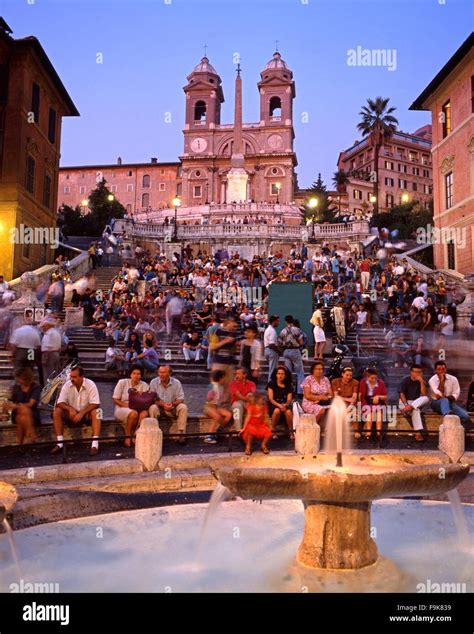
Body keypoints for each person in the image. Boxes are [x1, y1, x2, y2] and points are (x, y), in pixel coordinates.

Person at [51, 366, 101, 456]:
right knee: (56, 411)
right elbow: (60, 402)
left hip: (85, 415)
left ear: (82, 377)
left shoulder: (91, 384)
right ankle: (60, 443)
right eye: (71, 377)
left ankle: (95, 444)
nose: (72, 379)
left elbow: (96, 403)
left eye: (74, 377)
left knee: (98, 412)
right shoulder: (67, 385)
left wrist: (82, 413)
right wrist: (70, 409)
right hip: (71, 415)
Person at [112, 365, 151, 447]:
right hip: (122, 407)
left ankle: (136, 433)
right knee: (133, 413)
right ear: (130, 374)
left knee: (145, 413)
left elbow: (147, 401)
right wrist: (127, 406)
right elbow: (115, 399)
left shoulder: (144, 385)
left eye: (138, 374)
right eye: (134, 373)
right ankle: (128, 436)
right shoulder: (122, 382)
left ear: (141, 375)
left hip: (138, 407)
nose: (136, 376)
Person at [149, 365, 188, 444]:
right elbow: (152, 399)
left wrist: (172, 404)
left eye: (164, 372)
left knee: (183, 407)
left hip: (173, 407)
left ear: (169, 373)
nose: (161, 374)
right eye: (160, 372)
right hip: (159, 408)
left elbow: (181, 398)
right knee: (152, 408)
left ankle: (181, 434)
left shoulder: (176, 382)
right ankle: (154, 433)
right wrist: (163, 404)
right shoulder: (154, 382)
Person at [429, 362, 473, 430]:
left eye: (443, 369)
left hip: (450, 403)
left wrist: (446, 397)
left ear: (446, 369)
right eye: (439, 369)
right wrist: (442, 381)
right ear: (435, 370)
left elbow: (455, 395)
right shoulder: (432, 380)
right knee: (444, 400)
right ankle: (448, 417)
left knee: (465, 416)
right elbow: (439, 396)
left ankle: (459, 433)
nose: (441, 371)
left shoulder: (453, 379)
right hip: (436, 403)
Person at [4, 367, 41, 444]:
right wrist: (5, 410)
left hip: (32, 415)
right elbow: (9, 401)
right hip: (17, 413)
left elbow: (31, 404)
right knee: (23, 410)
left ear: (26, 378)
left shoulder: (36, 387)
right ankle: (31, 434)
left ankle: (20, 444)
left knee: (21, 416)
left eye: (19, 378)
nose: (18, 380)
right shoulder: (16, 387)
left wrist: (16, 406)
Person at [399, 364, 429, 442]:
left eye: (420, 372)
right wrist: (406, 405)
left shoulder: (421, 381)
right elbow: (401, 394)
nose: (418, 374)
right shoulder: (405, 380)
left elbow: (424, 394)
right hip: (405, 403)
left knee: (426, 398)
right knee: (416, 410)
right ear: (411, 372)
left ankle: (411, 407)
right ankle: (418, 434)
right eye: (416, 372)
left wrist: (421, 382)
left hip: (415, 403)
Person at [203, 369, 233, 444]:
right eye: (223, 378)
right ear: (219, 378)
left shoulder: (221, 387)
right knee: (217, 416)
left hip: (216, 407)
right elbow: (208, 397)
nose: (224, 380)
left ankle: (218, 431)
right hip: (208, 407)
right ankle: (209, 435)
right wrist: (210, 396)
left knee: (228, 415)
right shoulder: (212, 385)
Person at [278, 315, 305, 396]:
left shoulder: (283, 331)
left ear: (286, 321)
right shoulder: (297, 330)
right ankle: (300, 392)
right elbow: (301, 342)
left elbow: (279, 342)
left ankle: (289, 390)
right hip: (295, 351)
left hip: (286, 351)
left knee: (288, 372)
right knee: (300, 372)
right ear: (292, 321)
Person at [359, 368, 388, 442]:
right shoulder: (363, 382)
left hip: (378, 403)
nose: (374, 380)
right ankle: (368, 432)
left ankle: (378, 433)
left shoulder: (381, 383)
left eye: (375, 378)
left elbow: (385, 396)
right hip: (366, 403)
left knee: (379, 414)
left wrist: (378, 397)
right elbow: (361, 395)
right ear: (367, 377)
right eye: (372, 378)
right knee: (370, 414)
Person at [266, 365, 294, 439]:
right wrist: (279, 405)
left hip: (285, 404)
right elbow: (271, 399)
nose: (280, 376)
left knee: (288, 412)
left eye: (282, 374)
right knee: (277, 410)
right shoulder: (271, 383)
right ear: (276, 375)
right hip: (274, 404)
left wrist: (285, 405)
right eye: (278, 373)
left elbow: (289, 399)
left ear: (285, 375)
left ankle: (291, 432)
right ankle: (272, 431)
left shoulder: (289, 385)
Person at [331, 366, 359, 438]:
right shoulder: (335, 382)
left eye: (350, 375)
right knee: (336, 412)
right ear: (342, 374)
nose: (348, 377)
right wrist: (347, 399)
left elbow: (354, 398)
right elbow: (336, 396)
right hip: (339, 403)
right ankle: (336, 431)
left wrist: (350, 404)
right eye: (347, 375)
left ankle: (356, 431)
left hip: (351, 404)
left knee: (354, 412)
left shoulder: (355, 382)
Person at [229, 367, 256, 431]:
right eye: (236, 374)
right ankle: (238, 430)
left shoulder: (252, 384)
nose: (236, 375)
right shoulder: (233, 384)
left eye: (238, 374)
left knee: (251, 397)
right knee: (237, 406)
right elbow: (238, 395)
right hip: (237, 402)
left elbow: (252, 395)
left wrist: (249, 397)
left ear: (244, 375)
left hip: (248, 403)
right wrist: (247, 398)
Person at [263, 315, 280, 381]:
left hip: (267, 350)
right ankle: (270, 385)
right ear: (274, 321)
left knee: (272, 369)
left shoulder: (268, 329)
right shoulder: (272, 331)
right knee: (273, 370)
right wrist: (278, 351)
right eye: (277, 321)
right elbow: (271, 344)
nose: (278, 323)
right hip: (271, 350)